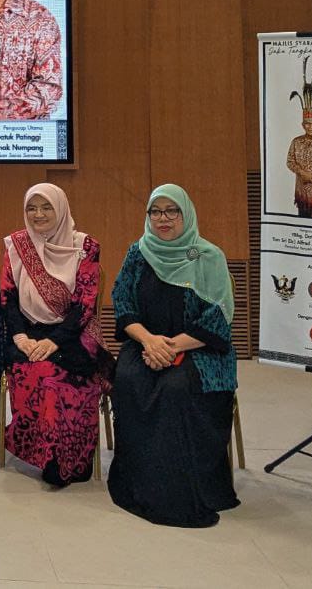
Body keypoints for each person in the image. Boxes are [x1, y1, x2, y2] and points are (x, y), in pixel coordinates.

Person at [107, 184, 239, 527]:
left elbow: (218, 319)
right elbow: (123, 304)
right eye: (156, 211)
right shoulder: (138, 252)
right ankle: (137, 483)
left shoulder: (209, 256)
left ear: (186, 213)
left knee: (176, 388)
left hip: (199, 348)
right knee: (128, 379)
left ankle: (184, 489)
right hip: (145, 342)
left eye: (171, 211)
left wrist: (171, 347)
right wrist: (150, 341)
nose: (163, 219)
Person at [2, 183, 109, 486]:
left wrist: (54, 340)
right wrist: (21, 338)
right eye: (31, 208)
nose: (38, 214)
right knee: (33, 370)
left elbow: (85, 304)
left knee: (60, 376)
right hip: (28, 333)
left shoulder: (85, 246)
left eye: (46, 207)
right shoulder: (16, 245)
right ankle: (44, 455)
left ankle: (72, 458)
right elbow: (8, 298)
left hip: (74, 332)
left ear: (60, 208)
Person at [286, 112, 312, 219]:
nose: (311, 126)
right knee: (303, 224)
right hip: (302, 194)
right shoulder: (296, 142)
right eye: (307, 123)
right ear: (303, 125)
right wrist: (302, 173)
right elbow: (290, 161)